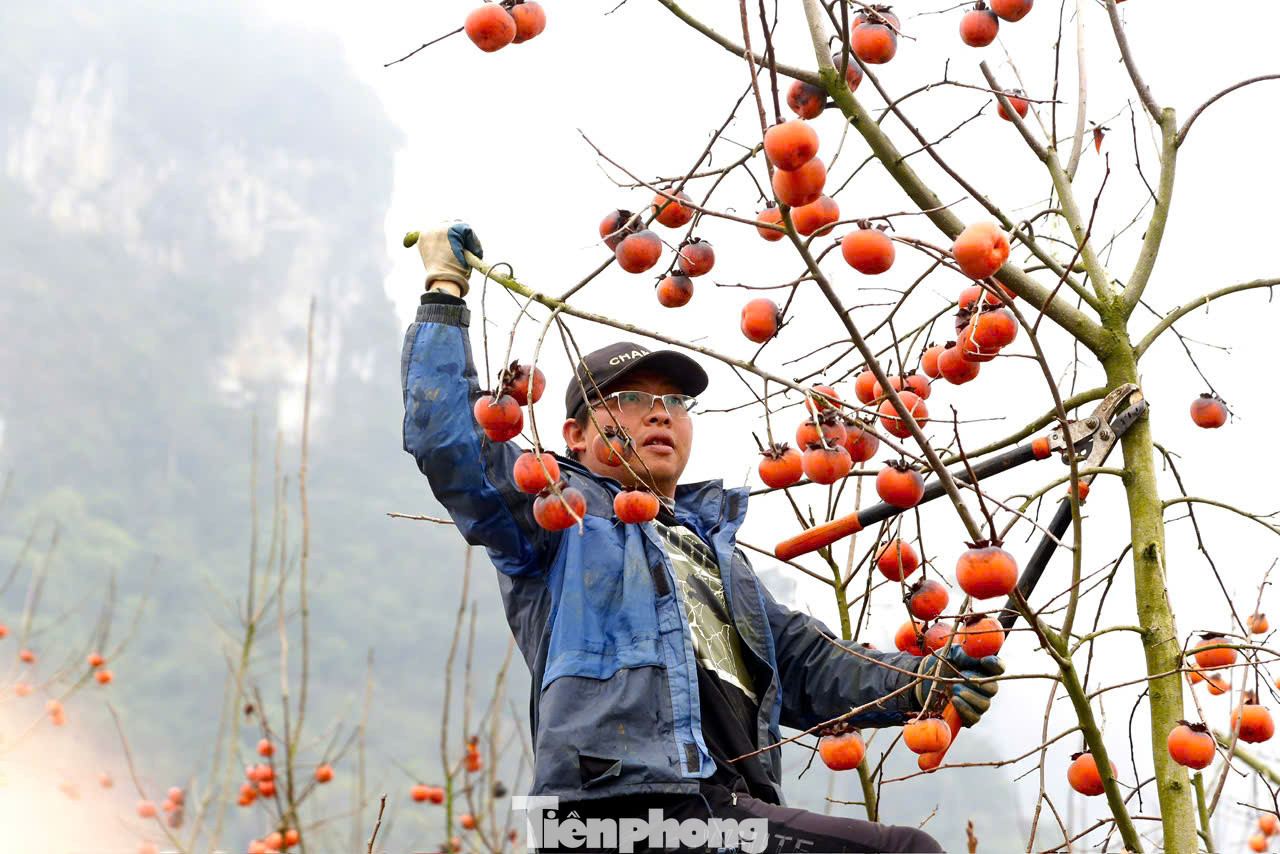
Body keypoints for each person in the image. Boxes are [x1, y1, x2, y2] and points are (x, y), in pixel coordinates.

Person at [400, 223, 1004, 853]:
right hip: (614, 812)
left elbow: (805, 663)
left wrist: (921, 679)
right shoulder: (559, 515)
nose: (659, 412)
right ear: (575, 436)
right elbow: (453, 446)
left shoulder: (714, 556)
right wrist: (445, 294)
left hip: (720, 811)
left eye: (675, 401)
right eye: (630, 398)